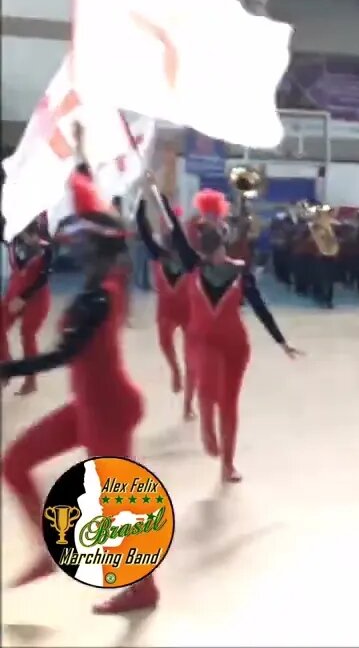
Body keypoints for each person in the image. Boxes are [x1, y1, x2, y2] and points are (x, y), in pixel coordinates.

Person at [0, 170, 159, 614]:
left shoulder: (102, 296)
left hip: (109, 409)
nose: (75, 248)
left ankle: (144, 588)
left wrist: (9, 368)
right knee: (14, 463)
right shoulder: (100, 287)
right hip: (91, 404)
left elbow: (66, 353)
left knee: (119, 506)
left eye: (83, 243)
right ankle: (46, 553)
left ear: (99, 249)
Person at [159, 184, 303, 483]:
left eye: (221, 247)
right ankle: (205, 425)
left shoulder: (240, 272)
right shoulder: (193, 266)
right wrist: (159, 196)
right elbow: (174, 232)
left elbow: (260, 307)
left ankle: (228, 463)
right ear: (205, 250)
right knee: (208, 388)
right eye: (213, 249)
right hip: (203, 341)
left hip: (235, 345)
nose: (218, 253)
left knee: (230, 404)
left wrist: (281, 341)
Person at [134, 196, 198, 418]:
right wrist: (141, 201)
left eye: (174, 237)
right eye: (167, 237)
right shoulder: (157, 255)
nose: (170, 240)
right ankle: (174, 370)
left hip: (189, 314)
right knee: (164, 342)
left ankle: (188, 405)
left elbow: (178, 232)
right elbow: (143, 230)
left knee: (193, 362)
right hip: (166, 312)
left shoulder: (191, 260)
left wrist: (166, 206)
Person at [1, 218, 53, 396]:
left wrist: (23, 298)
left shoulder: (44, 242)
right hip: (14, 291)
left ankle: (31, 380)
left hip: (36, 296)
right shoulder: (11, 235)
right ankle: (5, 367)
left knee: (27, 334)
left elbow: (44, 276)